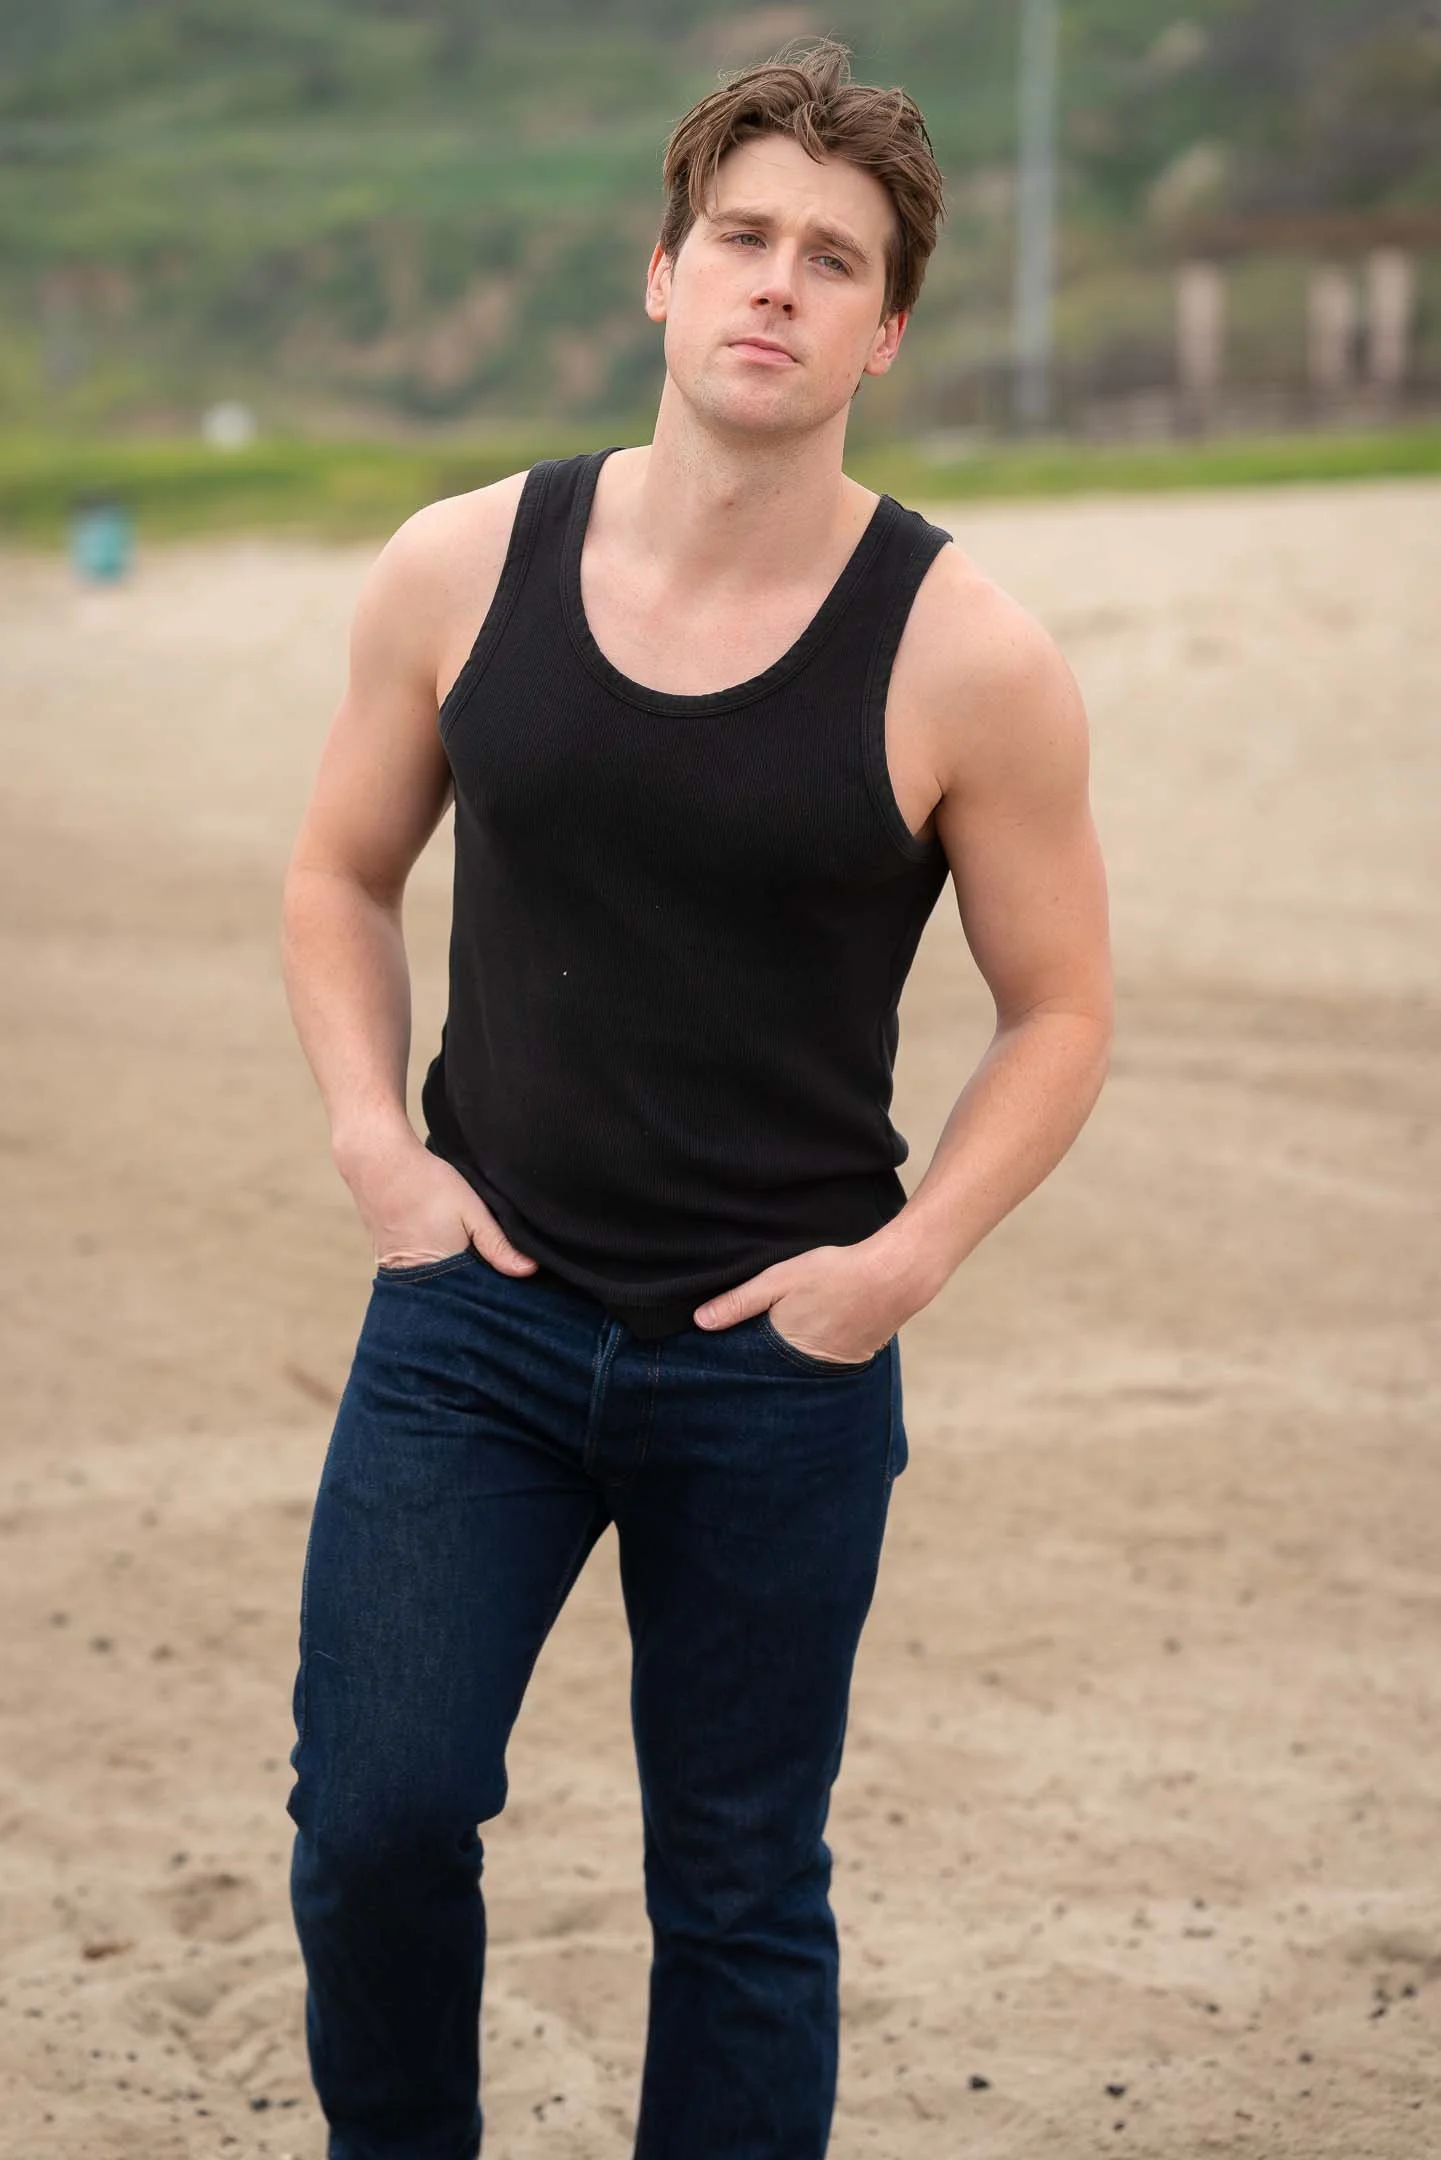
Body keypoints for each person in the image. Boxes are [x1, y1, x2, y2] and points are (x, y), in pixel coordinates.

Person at [281, 38, 1112, 2160]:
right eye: (740, 237)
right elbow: (340, 872)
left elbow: (1063, 1008)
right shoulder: (461, 566)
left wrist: (899, 1268)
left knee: (740, 1892)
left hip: (779, 1361)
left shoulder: (969, 655)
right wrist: (383, 1154)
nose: (776, 284)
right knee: (374, 1823)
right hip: (478, 1315)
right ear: (662, 273)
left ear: (885, 330)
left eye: (830, 261)